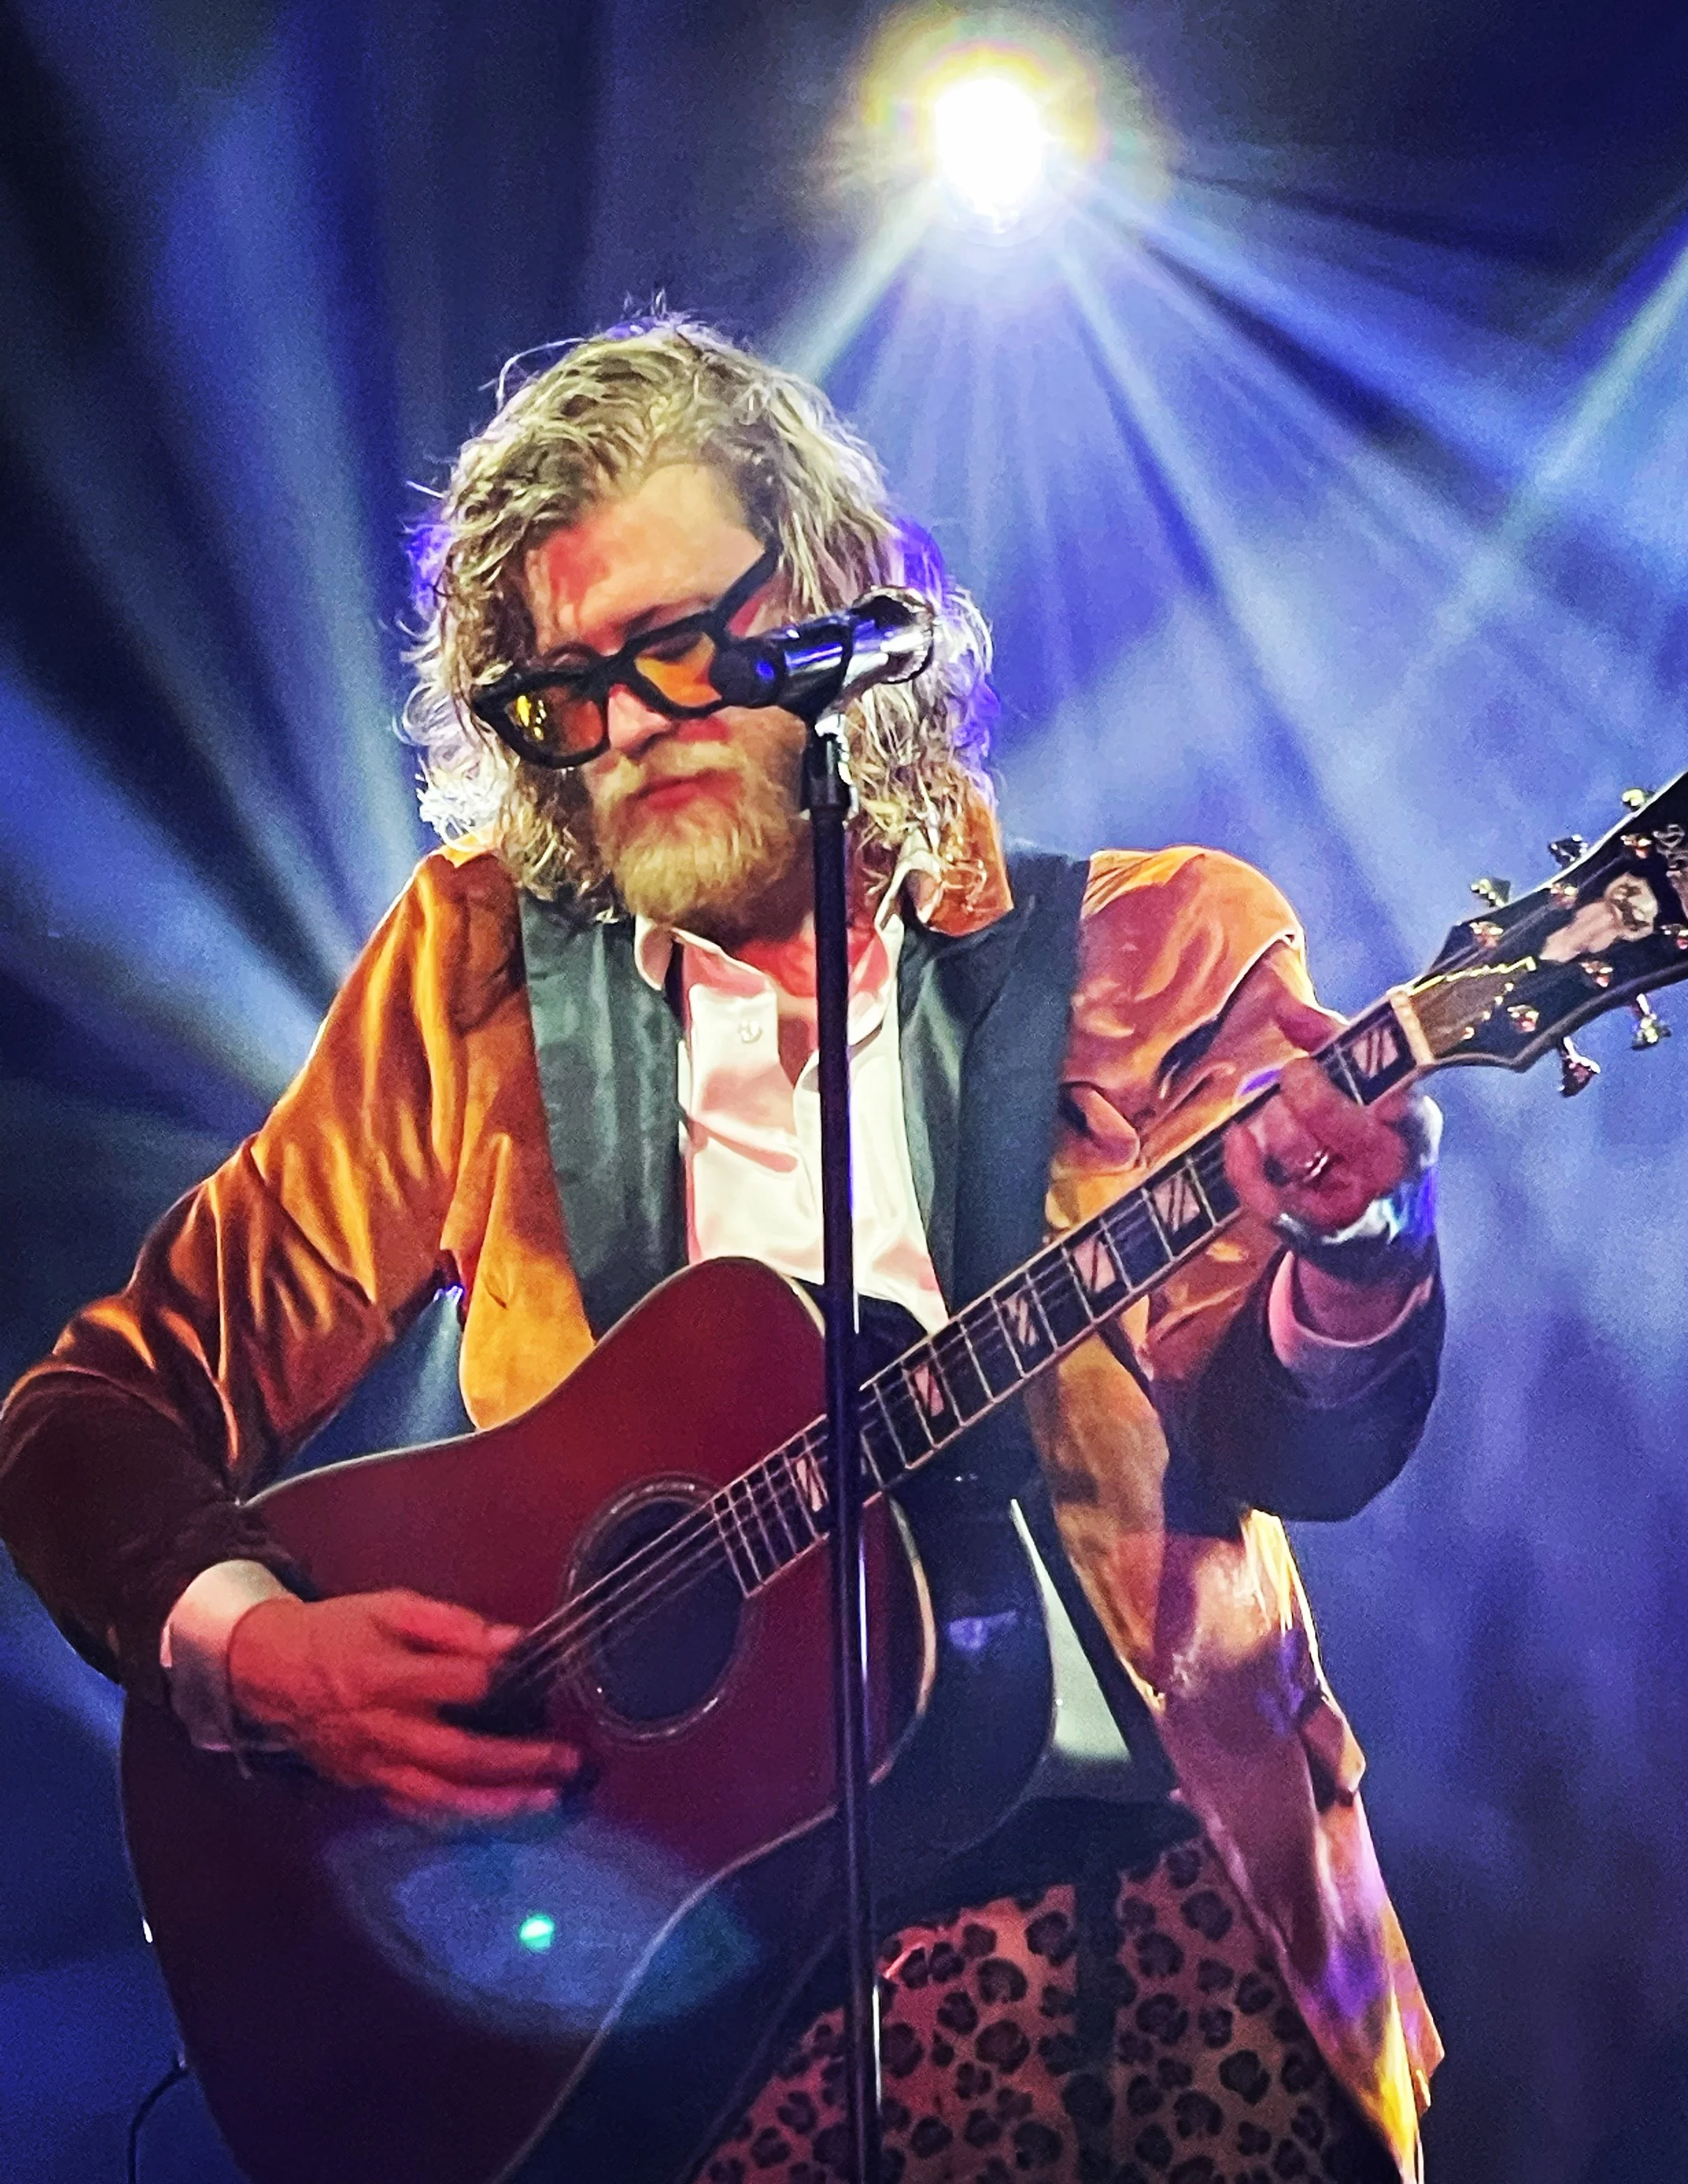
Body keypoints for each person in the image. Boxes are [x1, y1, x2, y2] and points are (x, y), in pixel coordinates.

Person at [0, 318, 1444, 2184]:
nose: (634, 723)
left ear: (838, 597)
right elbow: (93, 1407)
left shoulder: (1153, 945)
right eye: (563, 688)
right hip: (682, 2024)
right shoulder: (475, 983)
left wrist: (1355, 1240)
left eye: (684, 644)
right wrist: (250, 1644)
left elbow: (1294, 1445)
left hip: (1145, 1942)